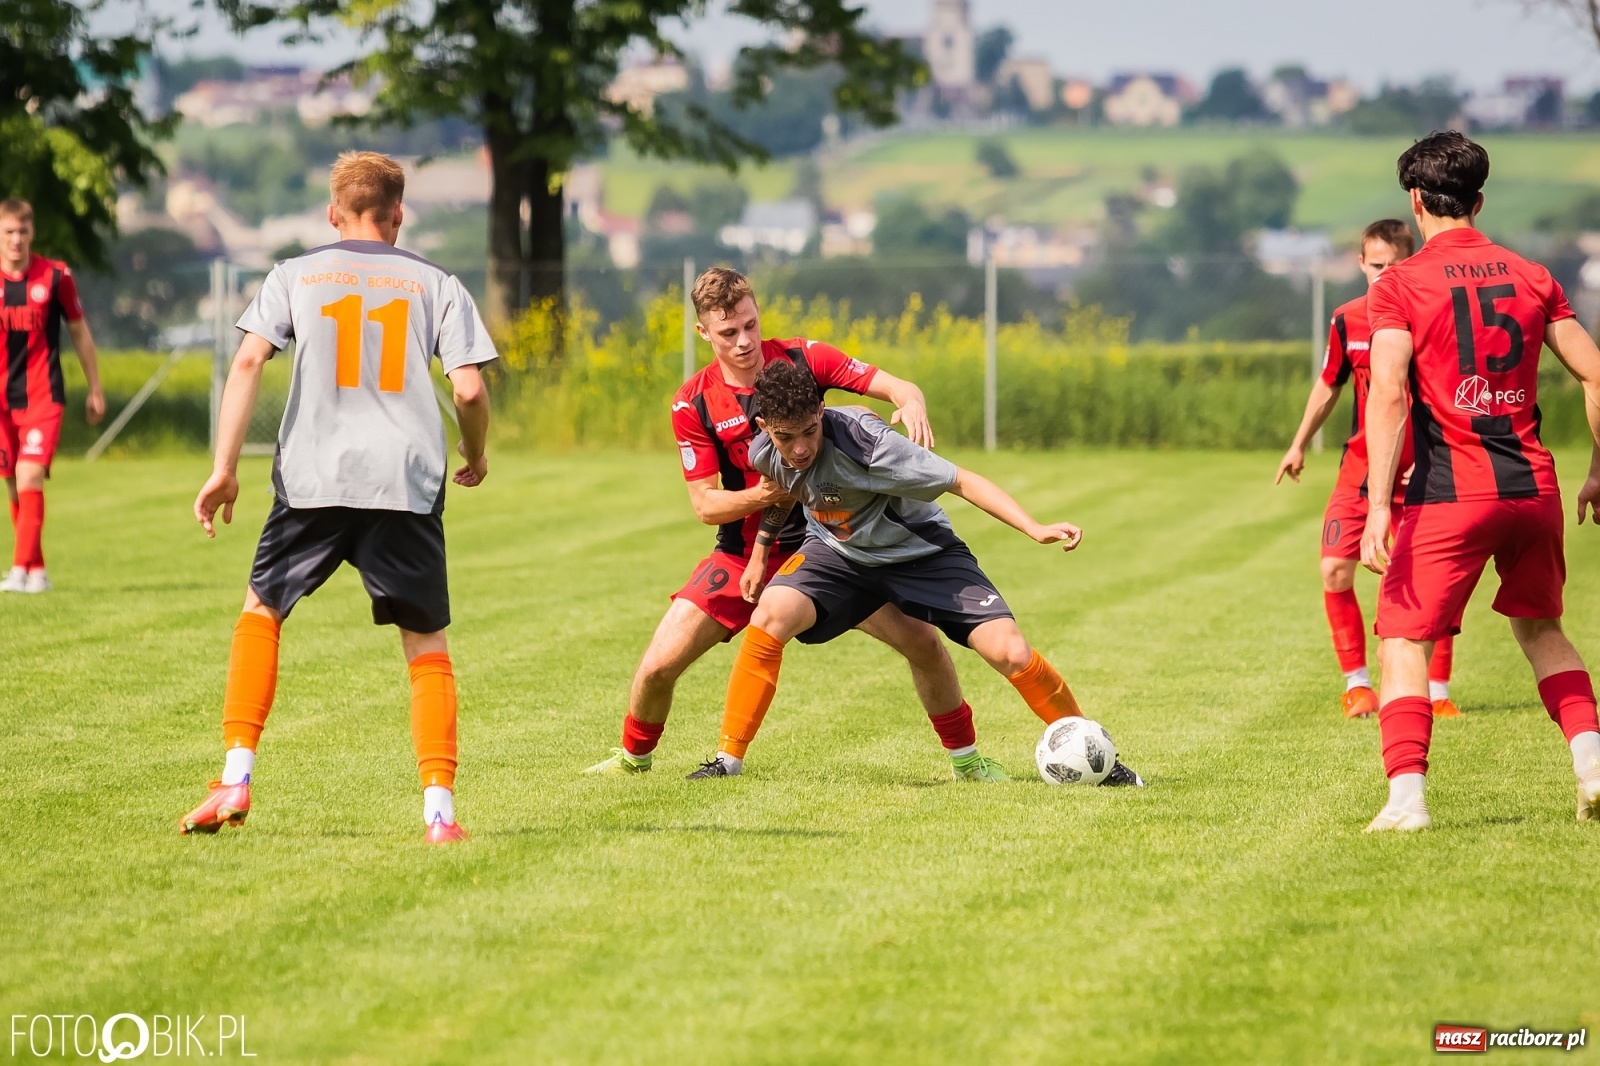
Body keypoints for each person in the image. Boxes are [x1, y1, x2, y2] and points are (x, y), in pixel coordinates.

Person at [179, 151, 496, 844]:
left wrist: (225, 467)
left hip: (314, 476)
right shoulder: (436, 282)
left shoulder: (294, 275)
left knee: (262, 609)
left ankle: (235, 775)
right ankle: (440, 817)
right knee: (426, 643)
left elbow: (247, 361)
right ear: (398, 214)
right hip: (405, 483)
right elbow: (469, 389)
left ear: (333, 214)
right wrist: (475, 453)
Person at [585, 268, 999, 781]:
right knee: (657, 667)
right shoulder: (692, 401)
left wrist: (910, 402)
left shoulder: (805, 359)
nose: (744, 342)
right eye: (728, 333)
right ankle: (633, 759)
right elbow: (706, 506)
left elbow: (896, 385)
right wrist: (765, 493)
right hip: (742, 551)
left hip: (834, 547)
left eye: (750, 326)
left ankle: (969, 760)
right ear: (703, 334)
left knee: (922, 642)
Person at [694, 358, 1143, 785]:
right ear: (764, 429)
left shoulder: (869, 446)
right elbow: (791, 489)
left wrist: (1033, 527)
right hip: (839, 553)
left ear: (822, 411)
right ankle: (727, 760)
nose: (799, 448)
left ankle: (1099, 762)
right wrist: (761, 550)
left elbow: (961, 480)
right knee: (769, 616)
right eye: (785, 436)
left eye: (810, 432)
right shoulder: (765, 452)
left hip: (919, 553)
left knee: (1010, 652)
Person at [1361, 130, 1600, 831]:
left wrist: (1379, 504)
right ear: (1479, 200)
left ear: (1416, 201)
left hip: (1450, 495)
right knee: (1542, 628)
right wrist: (1598, 469)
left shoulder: (1401, 284)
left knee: (1403, 638)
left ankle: (1407, 802)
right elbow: (1594, 373)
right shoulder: (1532, 275)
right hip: (1533, 489)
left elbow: (1390, 393)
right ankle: (1591, 764)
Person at [1276, 219, 1459, 720]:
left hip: (1422, 474)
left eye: (1393, 266)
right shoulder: (1347, 320)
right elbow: (1329, 382)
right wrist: (1298, 444)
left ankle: (1437, 691)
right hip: (1360, 471)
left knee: (1428, 585)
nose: (1383, 275)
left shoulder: (1431, 318)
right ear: (1361, 264)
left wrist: (1431, 457)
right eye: (1375, 266)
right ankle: (1358, 687)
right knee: (1335, 569)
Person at [0, 198, 106, 592]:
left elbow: (79, 330)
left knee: (29, 475)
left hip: (43, 396)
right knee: (13, 482)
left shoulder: (56, 276)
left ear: (32, 234)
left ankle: (17, 571)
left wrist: (95, 387)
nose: (16, 240)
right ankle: (37, 569)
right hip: (1, 405)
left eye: (22, 232)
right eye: (8, 232)